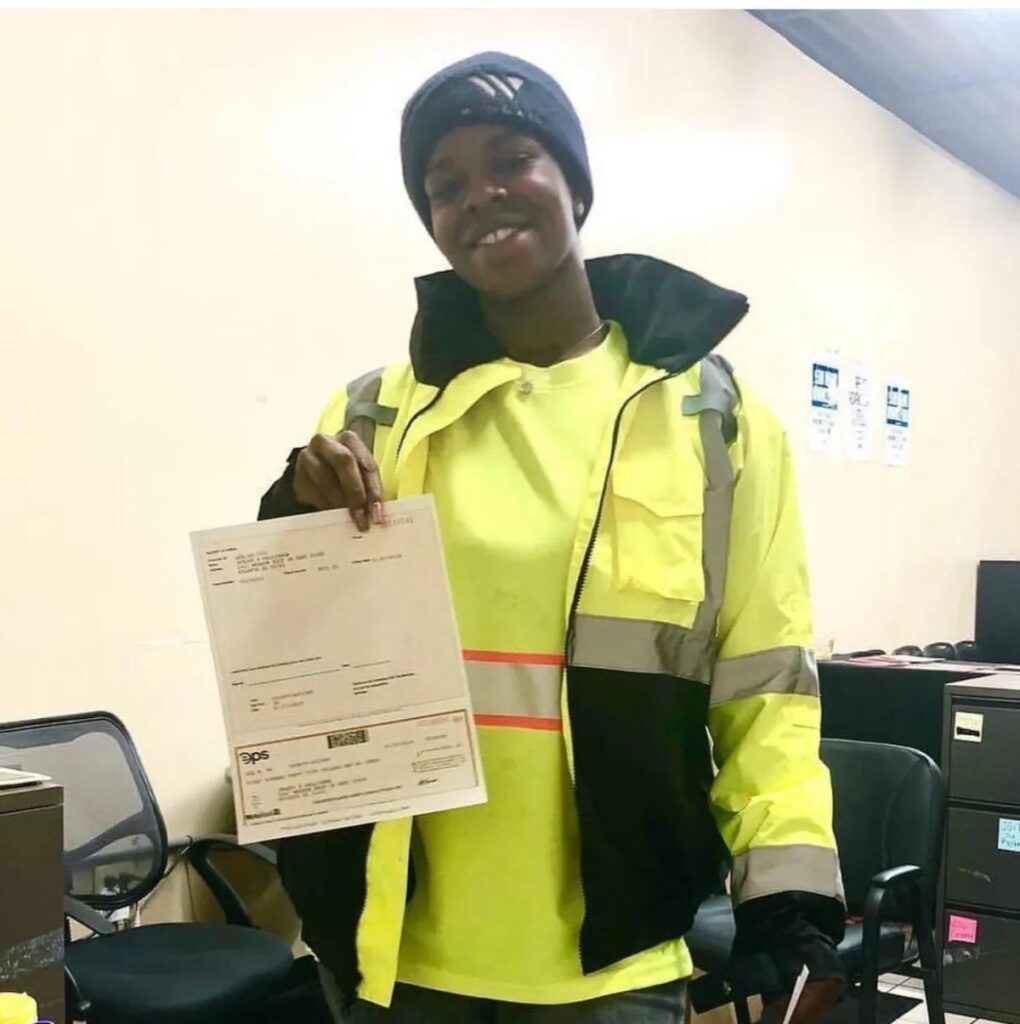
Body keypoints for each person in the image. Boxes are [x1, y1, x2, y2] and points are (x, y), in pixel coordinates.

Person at [259, 52, 845, 1024]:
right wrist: (291, 508)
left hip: (612, 959)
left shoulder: (711, 415)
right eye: (444, 185)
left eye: (512, 159)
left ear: (573, 181)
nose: (480, 196)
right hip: (403, 954)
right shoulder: (371, 412)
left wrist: (785, 885)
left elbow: (766, 679)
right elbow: (299, 649)